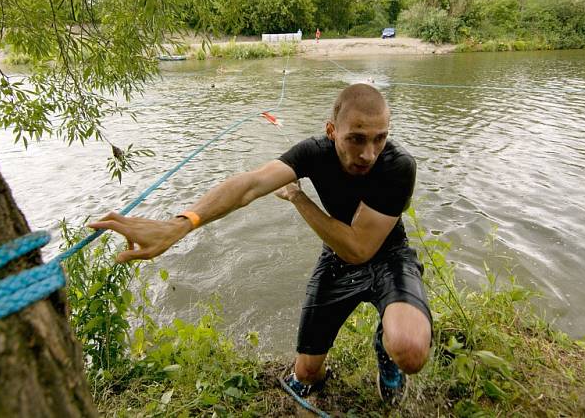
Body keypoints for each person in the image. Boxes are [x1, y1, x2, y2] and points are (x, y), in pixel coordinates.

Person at [89, 83, 432, 405]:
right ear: (332, 131)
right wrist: (179, 226)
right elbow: (250, 185)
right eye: (356, 139)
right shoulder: (314, 152)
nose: (369, 153)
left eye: (380, 138)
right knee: (307, 374)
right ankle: (315, 377)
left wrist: (299, 198)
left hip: (388, 254)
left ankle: (386, 353)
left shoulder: (397, 167)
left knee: (410, 349)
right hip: (337, 259)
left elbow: (359, 249)